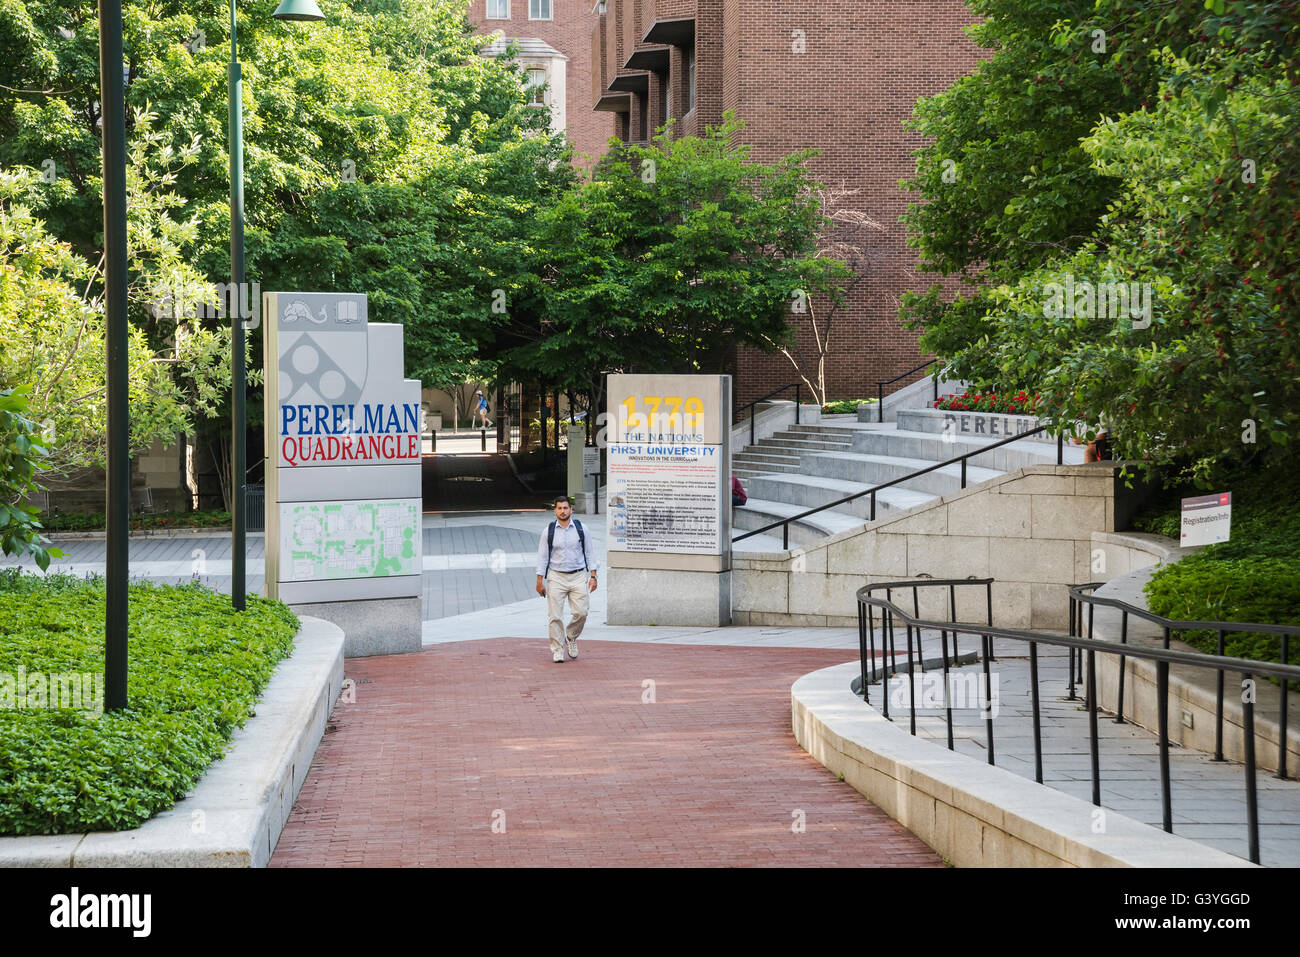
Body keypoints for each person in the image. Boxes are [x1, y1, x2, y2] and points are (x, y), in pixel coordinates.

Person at [535, 495, 598, 663]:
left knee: (581, 612)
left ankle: (570, 636)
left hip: (578, 575)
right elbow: (542, 557)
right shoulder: (548, 531)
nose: (563, 511)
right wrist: (539, 581)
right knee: (555, 616)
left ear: (571, 510)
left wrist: (593, 576)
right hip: (556, 576)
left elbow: (590, 553)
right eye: (559, 508)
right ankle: (557, 649)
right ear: (555, 510)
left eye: (565, 508)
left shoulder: (581, 529)